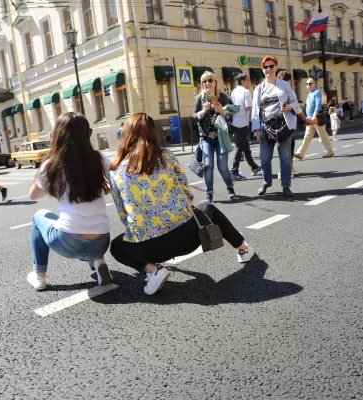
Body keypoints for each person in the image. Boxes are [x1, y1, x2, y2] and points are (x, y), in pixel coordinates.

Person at [109, 113, 254, 295]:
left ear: (125, 135)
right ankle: (243, 248)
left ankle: (153, 271)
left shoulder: (116, 170)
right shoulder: (166, 156)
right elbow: (186, 191)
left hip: (151, 248)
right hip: (189, 238)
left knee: (116, 246)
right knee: (208, 207)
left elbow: (123, 214)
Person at [26, 113, 113, 291]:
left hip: (69, 243)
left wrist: (49, 157)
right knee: (86, 227)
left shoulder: (53, 163)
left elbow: (33, 195)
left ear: (58, 135)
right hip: (102, 242)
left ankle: (39, 277)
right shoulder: (98, 157)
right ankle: (97, 261)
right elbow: (118, 181)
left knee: (38, 217)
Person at [251, 56, 300, 196]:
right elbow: (255, 111)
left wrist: (290, 107)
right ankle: (266, 182)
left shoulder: (284, 85)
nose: (268, 69)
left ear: (275, 67)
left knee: (285, 158)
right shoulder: (259, 89)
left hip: (284, 126)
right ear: (262, 69)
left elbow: (295, 103)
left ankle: (286, 186)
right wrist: (256, 130)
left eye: (271, 66)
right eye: (265, 67)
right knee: (265, 158)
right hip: (267, 128)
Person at [192, 71, 236, 203]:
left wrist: (222, 111)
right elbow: (194, 117)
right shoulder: (199, 99)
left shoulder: (223, 97)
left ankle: (230, 188)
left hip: (221, 137)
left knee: (223, 167)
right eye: (204, 81)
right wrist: (203, 111)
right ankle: (209, 193)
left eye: (210, 80)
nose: (207, 83)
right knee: (208, 166)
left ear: (215, 82)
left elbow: (231, 117)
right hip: (206, 138)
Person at [294, 77, 334, 161]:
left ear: (314, 84)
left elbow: (318, 105)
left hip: (315, 118)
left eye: (310, 83)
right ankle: (300, 153)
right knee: (307, 137)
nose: (308, 85)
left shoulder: (317, 92)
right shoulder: (309, 94)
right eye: (307, 84)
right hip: (309, 119)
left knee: (323, 136)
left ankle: (330, 151)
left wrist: (314, 116)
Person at [229, 73, 260, 181]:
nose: (249, 82)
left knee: (246, 147)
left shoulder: (233, 91)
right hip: (242, 123)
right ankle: (234, 171)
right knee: (239, 148)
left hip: (234, 123)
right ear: (243, 81)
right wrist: (257, 122)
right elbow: (250, 108)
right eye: (248, 80)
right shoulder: (246, 92)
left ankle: (254, 167)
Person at [278, 69, 308, 177]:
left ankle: (287, 168)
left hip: (276, 122)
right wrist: (305, 118)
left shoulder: (274, 88)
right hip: (286, 122)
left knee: (282, 146)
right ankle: (285, 169)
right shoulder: (287, 89)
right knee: (288, 146)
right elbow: (296, 107)